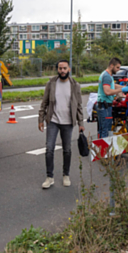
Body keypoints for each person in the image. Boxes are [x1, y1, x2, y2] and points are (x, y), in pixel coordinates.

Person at [38, 60, 85, 189]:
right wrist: (40, 119)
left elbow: (79, 106)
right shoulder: (51, 83)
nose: (62, 71)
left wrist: (81, 122)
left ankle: (66, 175)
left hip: (68, 122)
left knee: (67, 150)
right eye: (60, 68)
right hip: (53, 121)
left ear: (69, 69)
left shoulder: (75, 85)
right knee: (49, 149)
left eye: (64, 68)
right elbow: (44, 102)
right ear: (57, 69)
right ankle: (49, 177)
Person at [96, 57, 123, 138]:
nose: (118, 70)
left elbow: (111, 85)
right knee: (106, 130)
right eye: (117, 67)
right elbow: (107, 91)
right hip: (105, 105)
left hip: (103, 105)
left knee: (102, 129)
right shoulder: (107, 76)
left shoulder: (107, 74)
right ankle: (104, 149)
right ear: (112, 65)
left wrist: (123, 86)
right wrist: (121, 89)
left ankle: (100, 149)